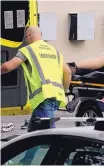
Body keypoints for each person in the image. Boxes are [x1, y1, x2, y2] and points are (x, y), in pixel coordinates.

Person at [1, 26, 72, 164]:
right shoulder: (54, 51)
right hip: (55, 96)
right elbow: (68, 72)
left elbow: (8, 67)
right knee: (33, 131)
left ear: (28, 37)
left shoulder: (27, 50)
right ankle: (26, 161)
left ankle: (66, 162)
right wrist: (64, 90)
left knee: (50, 134)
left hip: (43, 97)